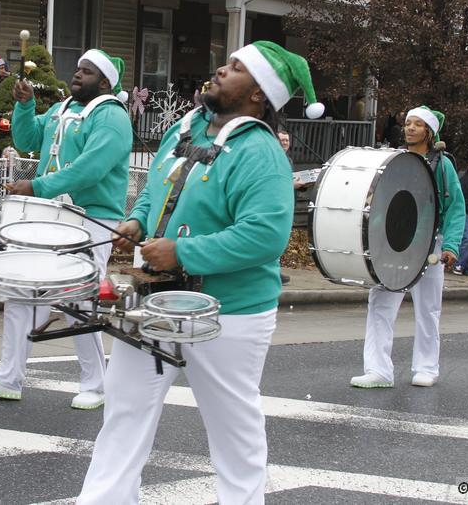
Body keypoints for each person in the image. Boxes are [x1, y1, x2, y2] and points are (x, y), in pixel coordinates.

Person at [77, 42, 321, 505]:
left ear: (257, 95)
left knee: (233, 429)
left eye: (234, 68)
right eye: (226, 63)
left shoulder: (261, 152)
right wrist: (137, 222)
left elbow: (265, 236)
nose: (220, 70)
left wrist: (183, 253)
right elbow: (156, 194)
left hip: (230, 313)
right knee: (124, 412)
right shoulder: (183, 131)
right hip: (155, 301)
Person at [0, 49, 133, 411]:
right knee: (21, 287)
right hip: (51, 211)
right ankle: (9, 377)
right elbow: (27, 140)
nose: (77, 75)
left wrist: (38, 186)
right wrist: (25, 106)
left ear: (104, 82)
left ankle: (96, 384)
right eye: (78, 69)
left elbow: (92, 168)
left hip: (91, 216)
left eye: (86, 72)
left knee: (78, 300)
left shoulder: (112, 116)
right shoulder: (62, 109)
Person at [350, 106, 465, 389]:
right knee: (380, 303)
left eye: (417, 124)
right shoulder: (395, 160)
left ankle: (426, 367)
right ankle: (378, 370)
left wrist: (450, 245)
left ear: (429, 131)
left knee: (428, 308)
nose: (410, 128)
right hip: (393, 245)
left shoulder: (443, 165)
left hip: (428, 244)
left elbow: (455, 207)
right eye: (408, 123)